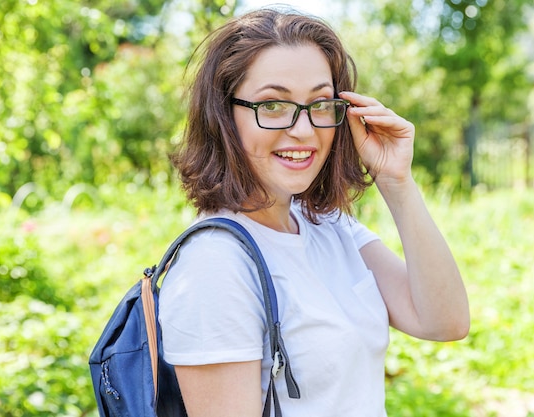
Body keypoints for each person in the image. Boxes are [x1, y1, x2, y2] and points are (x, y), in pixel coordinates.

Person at [159, 7, 470, 417]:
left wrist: (396, 182)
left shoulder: (328, 226)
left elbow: (444, 321)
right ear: (223, 116)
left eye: (320, 104)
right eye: (272, 105)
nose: (304, 130)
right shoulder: (215, 266)